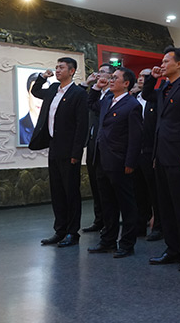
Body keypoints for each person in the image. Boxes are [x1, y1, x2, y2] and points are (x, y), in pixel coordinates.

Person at [143, 46, 180, 271]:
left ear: (179, 64)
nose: (162, 64)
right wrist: (152, 78)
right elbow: (147, 96)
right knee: (165, 206)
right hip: (162, 154)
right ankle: (172, 249)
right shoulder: (165, 87)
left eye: (166, 61)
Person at [30, 57, 89, 248]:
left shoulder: (78, 94)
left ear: (71, 71)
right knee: (57, 191)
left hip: (69, 149)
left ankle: (72, 232)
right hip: (54, 146)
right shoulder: (54, 89)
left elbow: (82, 125)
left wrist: (76, 153)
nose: (57, 70)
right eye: (56, 67)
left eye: (61, 67)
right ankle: (60, 230)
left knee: (70, 192)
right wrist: (42, 77)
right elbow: (36, 91)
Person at [86, 68, 143, 257]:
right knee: (107, 203)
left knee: (126, 204)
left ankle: (127, 244)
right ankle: (108, 240)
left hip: (120, 161)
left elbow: (136, 138)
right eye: (110, 77)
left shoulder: (132, 105)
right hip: (102, 159)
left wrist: (130, 162)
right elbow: (90, 103)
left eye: (115, 78)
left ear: (126, 83)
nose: (111, 80)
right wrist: (96, 87)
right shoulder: (107, 100)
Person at [83, 63, 115, 233]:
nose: (99, 74)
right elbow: (88, 104)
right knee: (95, 184)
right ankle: (99, 219)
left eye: (103, 72)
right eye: (98, 71)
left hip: (107, 146)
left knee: (107, 187)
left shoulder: (112, 96)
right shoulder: (97, 94)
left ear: (111, 76)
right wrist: (90, 84)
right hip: (92, 143)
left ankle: (110, 221)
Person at [134, 68, 163, 241]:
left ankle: (158, 225)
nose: (141, 79)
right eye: (140, 76)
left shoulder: (155, 99)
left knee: (155, 191)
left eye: (146, 77)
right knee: (138, 190)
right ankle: (140, 224)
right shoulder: (133, 99)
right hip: (135, 151)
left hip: (151, 150)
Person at [19, 72, 43, 146]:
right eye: (35, 95)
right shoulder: (19, 127)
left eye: (42, 95)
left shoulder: (54, 125)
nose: (40, 101)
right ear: (28, 95)